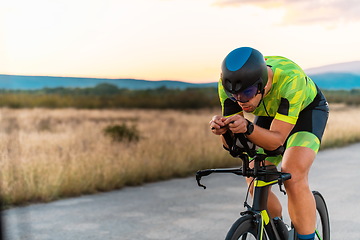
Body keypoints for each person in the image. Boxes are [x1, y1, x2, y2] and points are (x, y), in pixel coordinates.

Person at [209, 47, 329, 240]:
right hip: (270, 113)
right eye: (234, 95)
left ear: (262, 84)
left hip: (307, 112)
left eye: (247, 92)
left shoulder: (291, 79)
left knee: (293, 173)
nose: (241, 101)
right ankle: (276, 229)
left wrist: (248, 127)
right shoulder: (229, 87)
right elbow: (234, 146)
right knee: (254, 174)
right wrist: (224, 131)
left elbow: (276, 141)